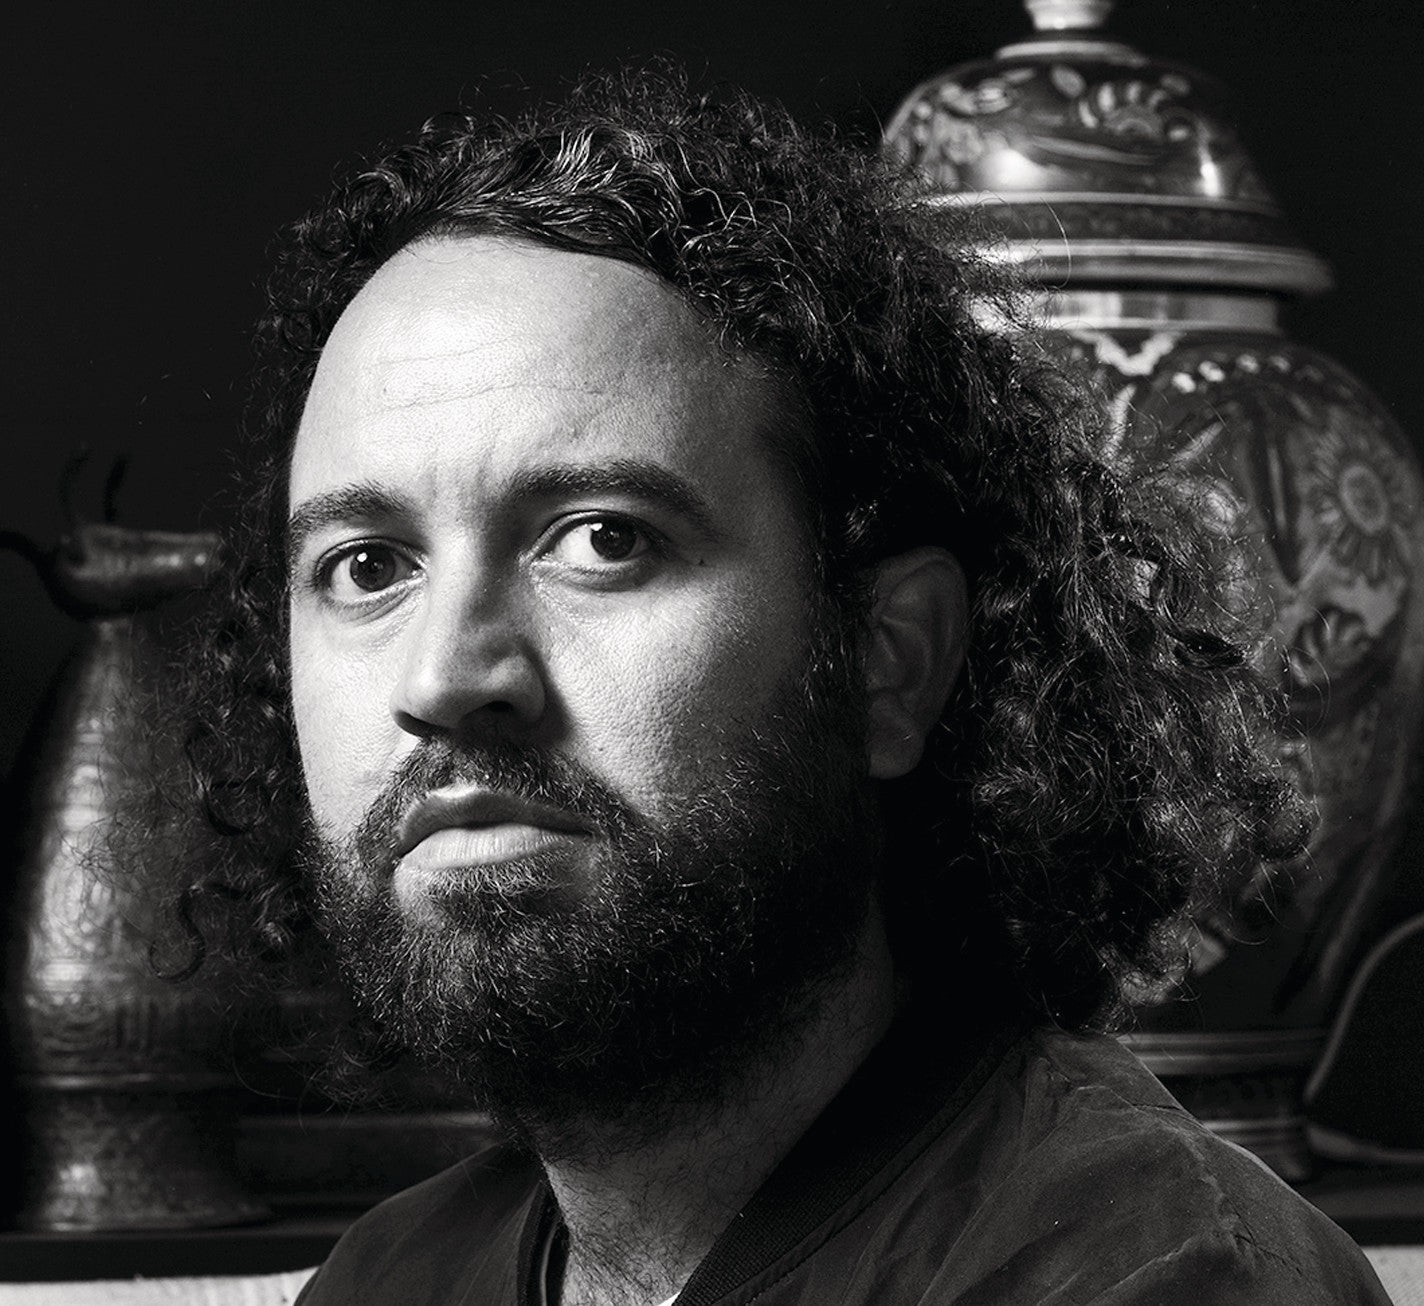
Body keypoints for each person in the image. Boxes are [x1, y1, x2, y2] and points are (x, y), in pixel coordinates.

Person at [177, 70, 1391, 1305]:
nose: (445, 677)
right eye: (366, 566)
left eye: (603, 539)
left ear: (888, 657)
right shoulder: (392, 1277)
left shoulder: (1152, 1276)